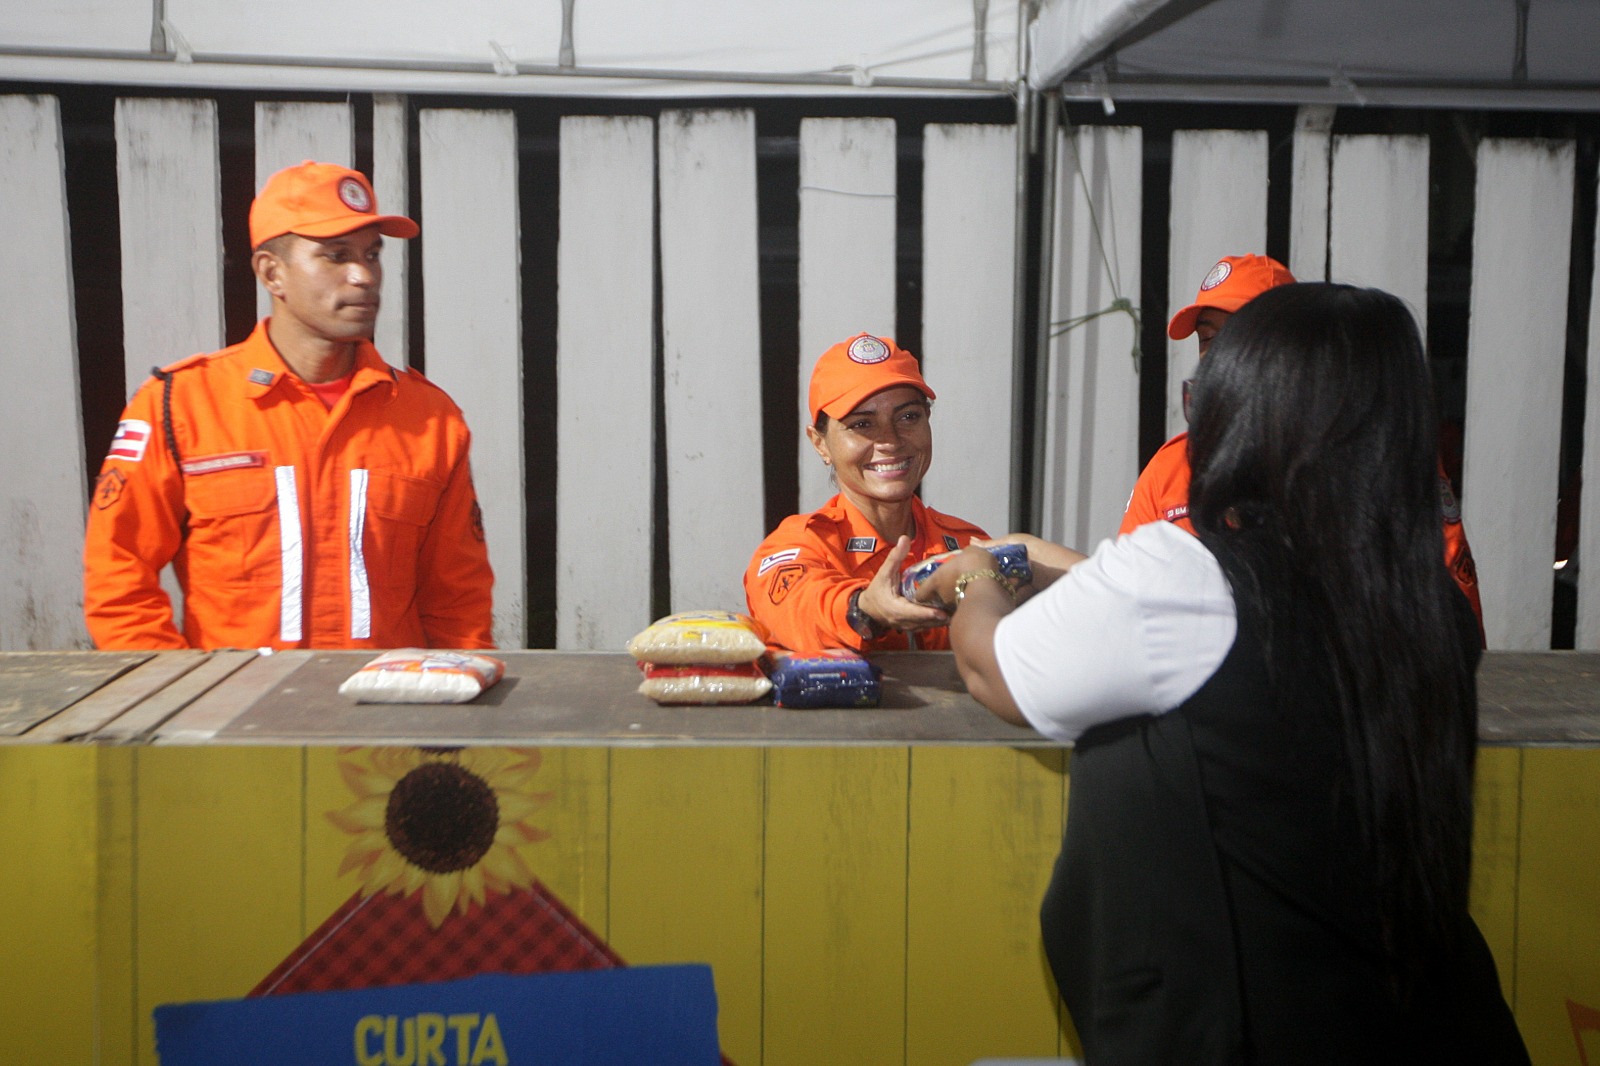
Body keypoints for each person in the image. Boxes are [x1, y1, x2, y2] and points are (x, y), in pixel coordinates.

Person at [923, 285, 1529, 1063]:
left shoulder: (1191, 576)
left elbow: (992, 670)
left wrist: (974, 580)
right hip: (1426, 1024)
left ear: (1244, 414)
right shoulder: (1429, 605)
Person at [83, 161, 494, 651]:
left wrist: (453, 685)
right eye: (336, 256)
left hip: (383, 699)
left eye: (372, 254)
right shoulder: (180, 406)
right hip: (233, 700)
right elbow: (118, 579)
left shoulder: (427, 419)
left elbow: (458, 603)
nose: (364, 276)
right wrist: (182, 690)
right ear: (271, 273)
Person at [1123, 253, 1486, 638]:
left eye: (1241, 336)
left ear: (1296, 350)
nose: (1220, 357)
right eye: (1209, 338)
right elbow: (1126, 609)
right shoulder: (1170, 467)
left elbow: (1451, 624)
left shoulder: (1367, 460)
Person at [742, 332, 987, 653]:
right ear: (820, 443)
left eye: (908, 417)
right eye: (862, 424)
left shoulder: (969, 544)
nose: (891, 440)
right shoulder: (801, 544)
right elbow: (799, 607)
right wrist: (865, 609)